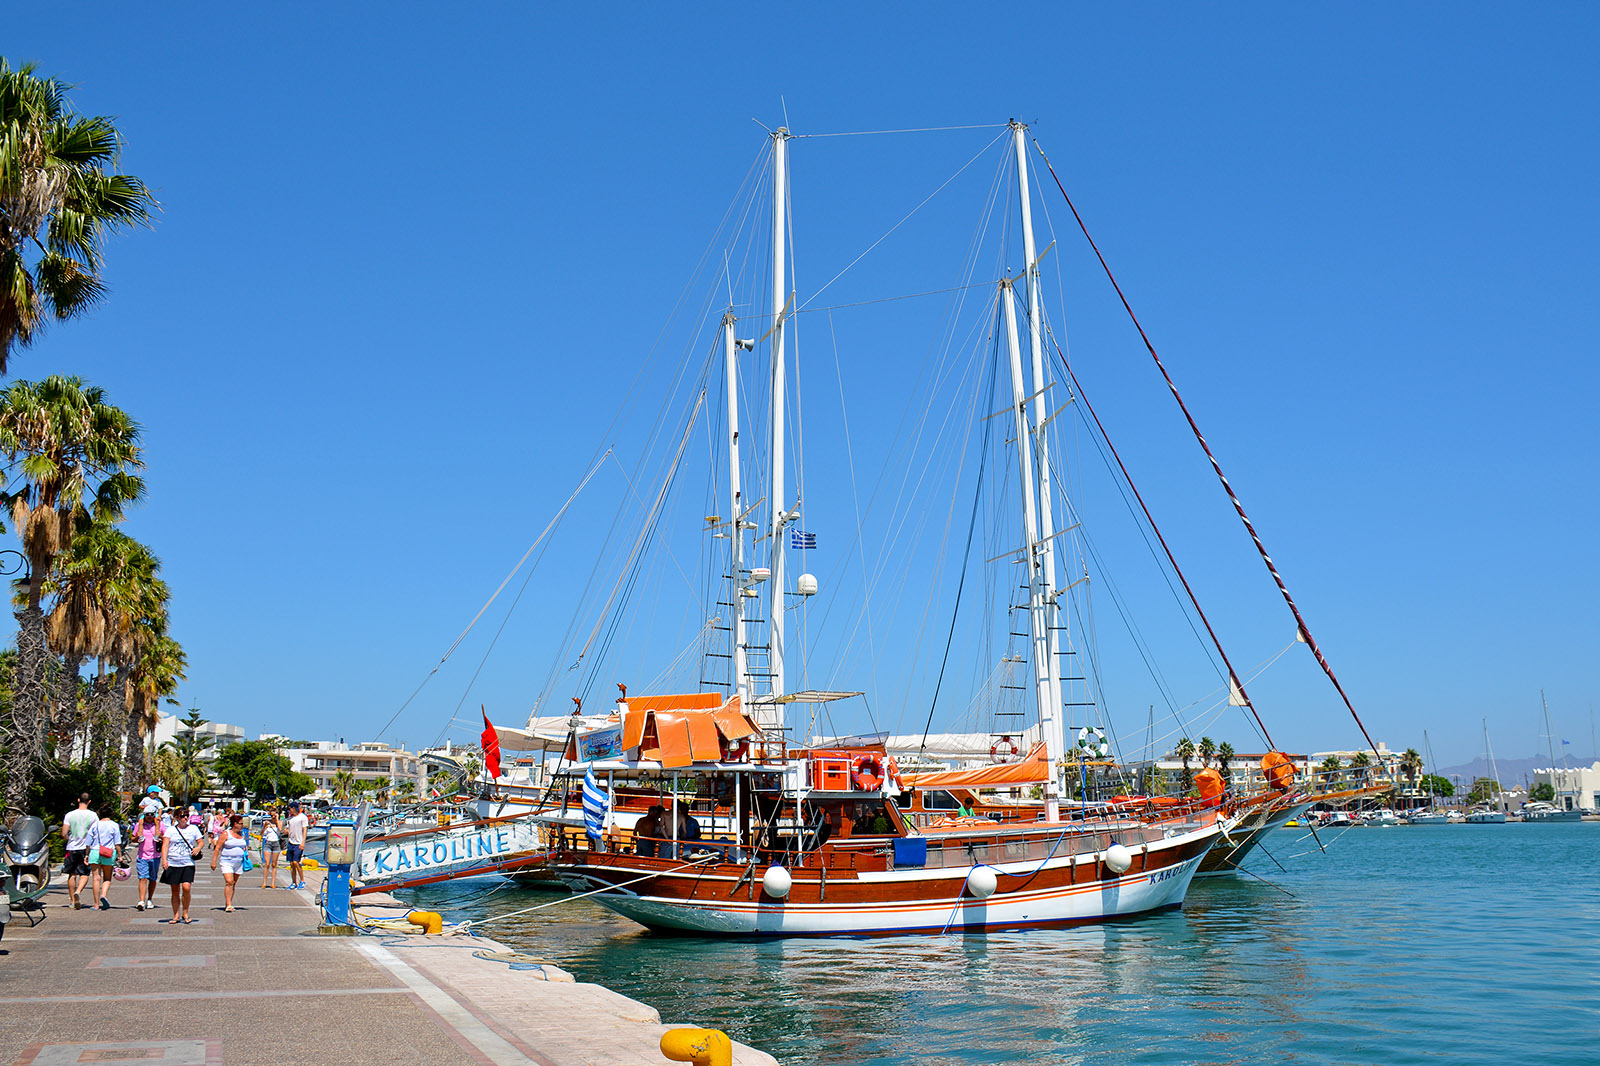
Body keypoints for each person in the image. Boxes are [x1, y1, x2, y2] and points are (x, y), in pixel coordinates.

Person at [159, 812, 206, 924]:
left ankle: (185, 912)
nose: (185, 818)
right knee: (175, 890)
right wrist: (164, 860)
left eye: (186, 815)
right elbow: (165, 845)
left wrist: (198, 848)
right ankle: (176, 915)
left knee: (186, 887)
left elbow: (201, 842)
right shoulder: (170, 830)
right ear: (176, 818)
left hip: (187, 862)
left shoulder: (193, 828)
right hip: (173, 862)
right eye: (182, 816)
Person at [61, 793, 98, 910]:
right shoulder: (93, 816)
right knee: (84, 873)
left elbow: (64, 833)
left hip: (71, 847)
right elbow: (96, 832)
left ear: (78, 800)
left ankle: (72, 900)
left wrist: (70, 838)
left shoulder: (69, 815)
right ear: (89, 801)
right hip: (86, 847)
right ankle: (78, 891)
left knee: (72, 874)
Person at [84, 804, 123, 910]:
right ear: (111, 814)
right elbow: (117, 843)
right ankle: (103, 895)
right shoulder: (114, 825)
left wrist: (86, 855)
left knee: (96, 878)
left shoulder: (94, 825)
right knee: (107, 878)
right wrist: (120, 855)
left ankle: (96, 904)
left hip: (95, 852)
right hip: (108, 853)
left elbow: (88, 842)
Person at [211, 813, 249, 912]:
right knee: (229, 881)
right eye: (240, 823)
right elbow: (218, 847)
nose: (242, 825)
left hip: (239, 861)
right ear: (235, 824)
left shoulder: (242, 834)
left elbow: (244, 846)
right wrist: (214, 861)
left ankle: (229, 901)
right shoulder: (226, 834)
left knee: (233, 883)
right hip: (227, 860)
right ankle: (228, 904)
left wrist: (246, 853)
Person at [130, 808, 164, 910]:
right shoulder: (139, 825)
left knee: (153, 879)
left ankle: (149, 899)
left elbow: (166, 837)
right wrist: (138, 838)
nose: (149, 817)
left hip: (155, 856)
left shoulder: (160, 824)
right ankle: (141, 900)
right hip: (142, 856)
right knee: (143, 878)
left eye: (151, 814)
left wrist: (159, 836)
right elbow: (132, 838)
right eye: (147, 814)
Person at [284, 803, 309, 889]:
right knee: (291, 863)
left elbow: (305, 830)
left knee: (296, 862)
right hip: (291, 842)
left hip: (298, 842)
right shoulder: (291, 819)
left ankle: (302, 880)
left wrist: (303, 842)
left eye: (290, 808)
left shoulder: (303, 817)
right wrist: (286, 831)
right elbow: (288, 828)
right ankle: (294, 882)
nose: (289, 810)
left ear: (293, 808)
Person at [258, 809, 283, 888]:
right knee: (267, 864)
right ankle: (264, 882)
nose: (272, 817)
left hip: (276, 843)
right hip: (268, 842)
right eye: (271, 815)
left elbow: (280, 829)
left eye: (274, 815)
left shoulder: (279, 822)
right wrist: (265, 826)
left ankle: (273, 882)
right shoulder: (267, 823)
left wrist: (277, 819)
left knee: (274, 864)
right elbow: (261, 834)